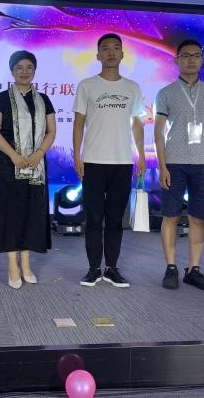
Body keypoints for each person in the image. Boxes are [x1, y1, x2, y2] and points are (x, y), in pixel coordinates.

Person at [73, 33, 146, 288]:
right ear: (98, 55)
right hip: (93, 161)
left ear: (122, 54)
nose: (111, 52)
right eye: (105, 48)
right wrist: (77, 155)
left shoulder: (132, 88)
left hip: (122, 162)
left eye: (116, 48)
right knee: (94, 219)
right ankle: (93, 269)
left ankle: (112, 269)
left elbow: (137, 124)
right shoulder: (87, 86)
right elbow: (79, 122)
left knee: (115, 219)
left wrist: (141, 155)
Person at [154, 39, 204, 291]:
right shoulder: (165, 93)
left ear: (202, 60)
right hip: (173, 164)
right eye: (185, 55)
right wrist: (162, 166)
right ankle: (171, 267)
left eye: (196, 55)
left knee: (198, 218)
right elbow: (158, 132)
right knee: (170, 217)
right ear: (176, 60)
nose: (191, 60)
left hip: (203, 164)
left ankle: (194, 270)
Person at [0, 50, 56, 288]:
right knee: (10, 214)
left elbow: (51, 131)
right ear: (11, 71)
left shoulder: (44, 99)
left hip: (36, 165)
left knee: (31, 212)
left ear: (34, 70)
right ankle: (12, 265)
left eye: (29, 67)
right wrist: (14, 155)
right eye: (19, 67)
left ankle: (26, 264)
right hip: (9, 164)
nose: (24, 72)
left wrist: (39, 153)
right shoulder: (0, 98)